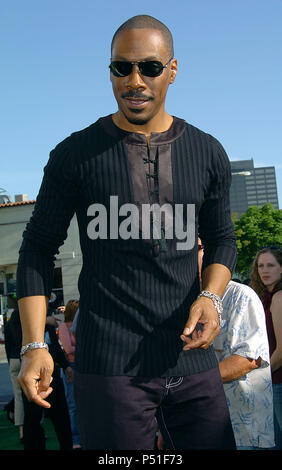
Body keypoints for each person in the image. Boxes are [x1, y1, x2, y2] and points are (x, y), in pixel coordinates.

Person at [16, 15, 237, 450]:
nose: (134, 80)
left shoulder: (207, 152)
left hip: (191, 362)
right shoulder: (74, 155)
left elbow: (222, 239)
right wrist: (32, 344)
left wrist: (211, 297)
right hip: (109, 368)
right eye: (122, 68)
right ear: (111, 71)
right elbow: (37, 251)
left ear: (172, 70)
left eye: (150, 68)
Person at [21, 308, 74, 450]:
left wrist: (65, 366)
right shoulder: (25, 311)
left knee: (61, 417)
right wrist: (44, 320)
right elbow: (22, 324)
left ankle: (67, 445)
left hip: (53, 374)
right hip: (34, 376)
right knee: (33, 418)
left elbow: (56, 346)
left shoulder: (47, 316)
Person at [250, 247, 282, 449]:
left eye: (271, 265)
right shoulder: (265, 298)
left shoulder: (279, 298)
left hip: (278, 383)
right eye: (261, 265)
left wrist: (259, 378)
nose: (264, 270)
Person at [58, 299, 81, 449]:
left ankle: (82, 437)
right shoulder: (64, 327)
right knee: (72, 403)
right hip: (72, 366)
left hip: (81, 365)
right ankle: (76, 439)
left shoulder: (79, 325)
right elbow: (68, 349)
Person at [4, 308, 24, 443]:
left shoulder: (8, 325)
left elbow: (7, 346)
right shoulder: (25, 324)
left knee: (18, 397)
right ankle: (36, 428)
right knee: (33, 394)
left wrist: (10, 360)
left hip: (13, 360)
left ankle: (21, 431)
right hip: (25, 359)